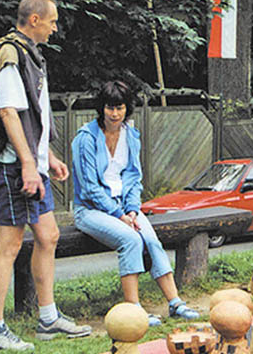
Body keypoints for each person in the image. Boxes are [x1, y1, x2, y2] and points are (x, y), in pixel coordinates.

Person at [0, 0, 92, 351]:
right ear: (33, 20)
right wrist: (29, 164)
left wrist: (48, 156)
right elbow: (9, 113)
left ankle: (48, 317)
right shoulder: (11, 53)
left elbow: (33, 117)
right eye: (52, 21)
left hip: (32, 164)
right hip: (14, 167)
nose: (55, 27)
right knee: (9, 244)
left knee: (48, 236)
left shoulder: (31, 54)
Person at [71, 80, 200, 326]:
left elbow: (133, 177)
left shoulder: (130, 135)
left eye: (119, 108)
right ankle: (134, 309)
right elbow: (89, 187)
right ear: (102, 108)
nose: (115, 114)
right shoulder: (85, 138)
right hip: (91, 210)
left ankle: (175, 303)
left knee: (150, 239)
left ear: (126, 108)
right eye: (110, 108)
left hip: (124, 208)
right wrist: (119, 215)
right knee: (130, 239)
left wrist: (131, 209)